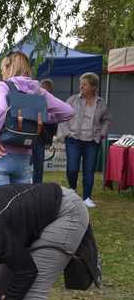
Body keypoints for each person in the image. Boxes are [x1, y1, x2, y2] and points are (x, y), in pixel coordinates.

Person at [0, 52, 74, 187]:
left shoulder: (4, 86)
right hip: (24, 156)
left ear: (9, 67)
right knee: (21, 205)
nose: (2, 72)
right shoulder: (38, 90)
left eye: (2, 68)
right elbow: (68, 112)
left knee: (0, 205)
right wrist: (41, 117)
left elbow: (1, 109)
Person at [58, 72, 111, 207]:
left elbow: (107, 119)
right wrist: (67, 133)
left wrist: (102, 132)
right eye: (80, 84)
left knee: (89, 170)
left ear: (93, 86)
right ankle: (73, 192)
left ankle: (87, 197)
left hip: (92, 141)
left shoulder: (101, 102)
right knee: (72, 169)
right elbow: (62, 116)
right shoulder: (72, 100)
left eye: (84, 84)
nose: (81, 86)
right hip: (74, 139)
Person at [31, 79, 59, 184]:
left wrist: (49, 140)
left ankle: (37, 187)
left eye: (47, 90)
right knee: (29, 164)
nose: (44, 92)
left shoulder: (52, 103)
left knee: (38, 165)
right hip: (31, 136)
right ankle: (30, 185)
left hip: (40, 138)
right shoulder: (33, 100)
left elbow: (53, 123)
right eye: (42, 89)